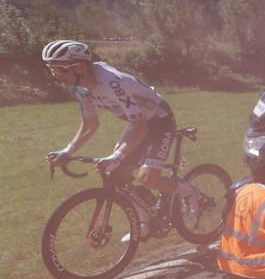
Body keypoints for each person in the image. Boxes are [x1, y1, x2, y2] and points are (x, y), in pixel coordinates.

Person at [42, 40, 200, 239]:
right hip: (138, 123)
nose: (55, 75)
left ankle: (189, 192)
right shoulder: (78, 87)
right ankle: (144, 221)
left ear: (80, 66)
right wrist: (68, 151)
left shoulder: (113, 82)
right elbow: (90, 124)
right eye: (51, 69)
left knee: (148, 177)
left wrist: (116, 156)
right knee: (116, 173)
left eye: (58, 68)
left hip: (159, 120)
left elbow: (141, 126)